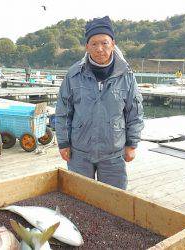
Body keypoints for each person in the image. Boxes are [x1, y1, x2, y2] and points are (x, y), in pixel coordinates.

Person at [55, 16, 144, 190]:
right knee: (78, 198)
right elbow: (63, 111)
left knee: (115, 202)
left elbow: (135, 112)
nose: (99, 49)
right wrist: (63, 143)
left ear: (113, 43)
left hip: (113, 153)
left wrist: (132, 144)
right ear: (87, 47)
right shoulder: (73, 74)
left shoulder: (126, 75)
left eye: (104, 43)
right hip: (79, 153)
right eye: (94, 44)